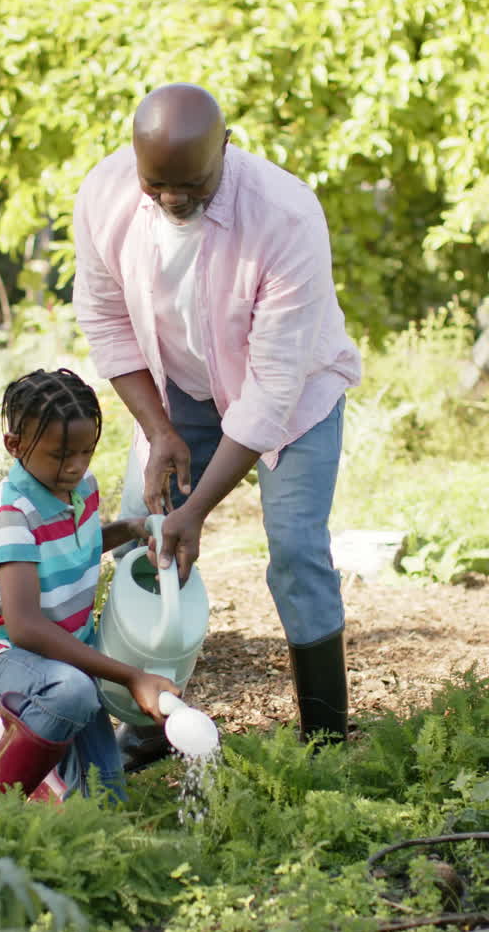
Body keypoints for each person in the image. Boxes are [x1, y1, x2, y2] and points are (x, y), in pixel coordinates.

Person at [72, 83, 362, 768]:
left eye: (192, 184)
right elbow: (106, 322)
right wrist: (160, 429)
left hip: (295, 395)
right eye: (158, 185)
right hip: (179, 388)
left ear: (226, 150)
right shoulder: (106, 195)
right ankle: (150, 723)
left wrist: (199, 509)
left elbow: (269, 394)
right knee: (143, 531)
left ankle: (324, 740)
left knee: (296, 554)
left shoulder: (286, 216)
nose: (173, 200)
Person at [0, 367, 181, 802]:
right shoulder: (13, 514)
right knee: (71, 693)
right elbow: (25, 628)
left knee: (107, 802)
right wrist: (131, 677)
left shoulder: (80, 489)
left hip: (67, 659)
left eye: (85, 453)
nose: (75, 466)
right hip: (8, 657)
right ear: (14, 445)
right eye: (59, 456)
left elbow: (81, 546)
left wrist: (129, 528)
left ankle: (29, 746)